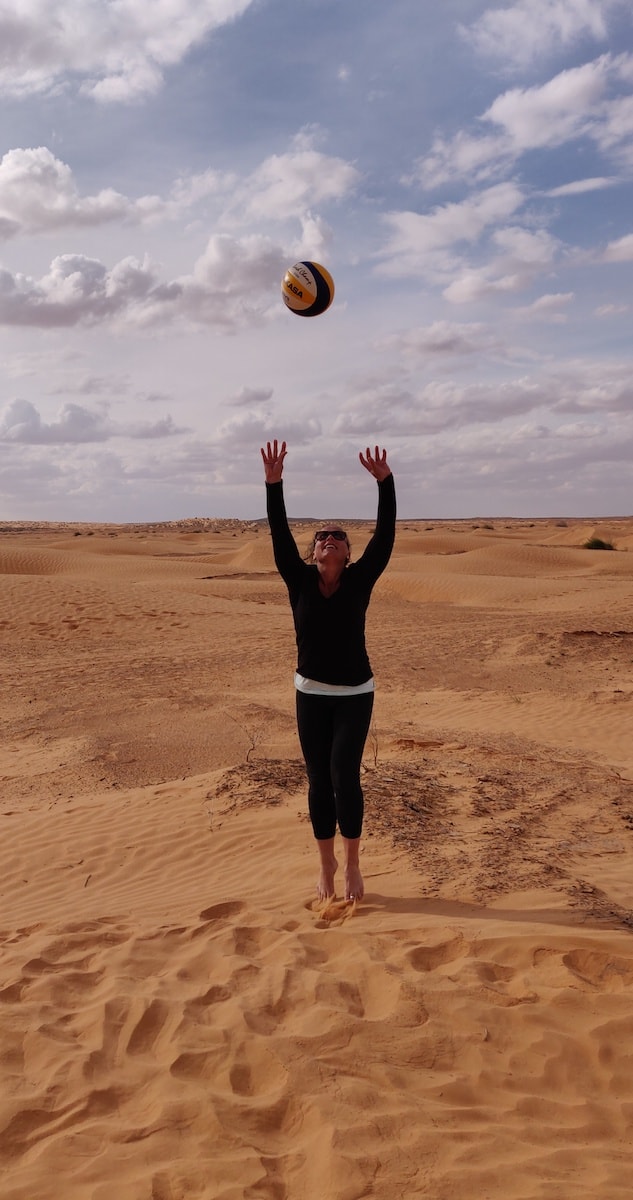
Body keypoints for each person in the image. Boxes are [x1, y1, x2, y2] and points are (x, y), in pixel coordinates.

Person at [260, 439, 396, 903]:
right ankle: (326, 865)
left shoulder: (361, 580)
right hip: (311, 693)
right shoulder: (297, 580)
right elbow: (278, 534)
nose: (329, 538)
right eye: (321, 536)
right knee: (318, 778)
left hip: (356, 692)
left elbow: (386, 537)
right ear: (313, 552)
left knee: (345, 774)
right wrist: (273, 485)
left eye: (337, 536)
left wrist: (386, 484)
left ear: (347, 552)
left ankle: (354, 864)